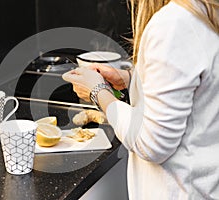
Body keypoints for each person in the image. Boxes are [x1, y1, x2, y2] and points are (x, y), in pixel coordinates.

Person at [62, 0, 219, 199]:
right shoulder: (208, 11)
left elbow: (152, 144)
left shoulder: (174, 23)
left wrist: (98, 91)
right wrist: (130, 79)